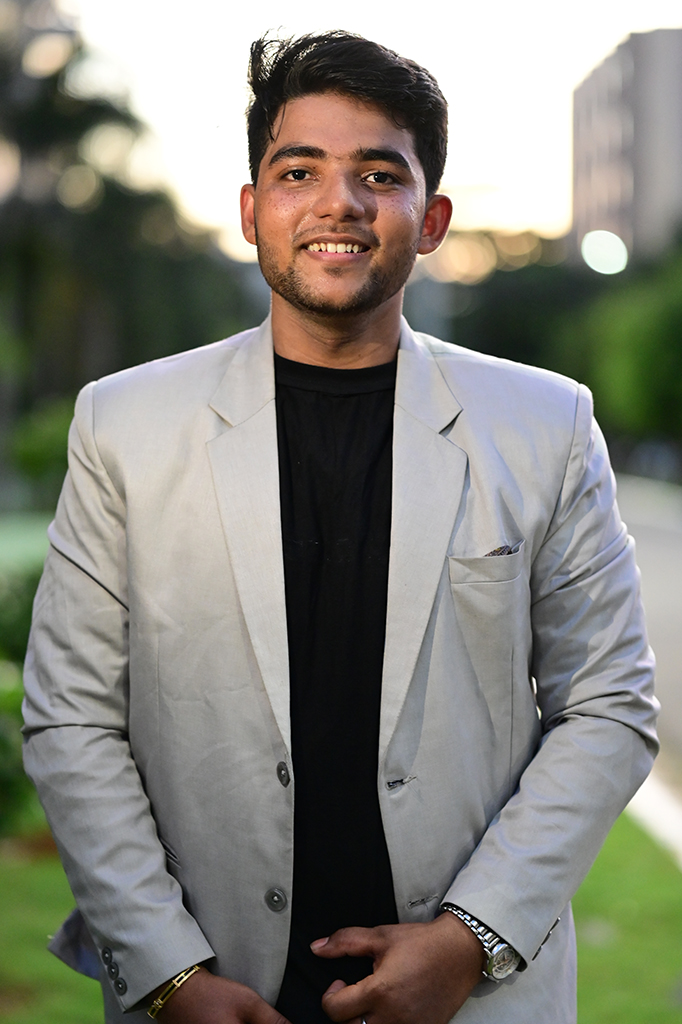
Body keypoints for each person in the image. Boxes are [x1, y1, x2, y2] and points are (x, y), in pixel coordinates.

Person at [22, 31, 658, 1024]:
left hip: (469, 996)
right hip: (211, 985)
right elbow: (72, 718)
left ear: (431, 219)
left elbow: (609, 705)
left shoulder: (546, 425)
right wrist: (169, 974)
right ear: (251, 210)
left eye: (379, 173)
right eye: (298, 171)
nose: (339, 203)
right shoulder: (123, 425)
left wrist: (468, 939)